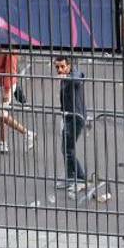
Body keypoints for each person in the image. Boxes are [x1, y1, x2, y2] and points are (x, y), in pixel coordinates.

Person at [0, 51, 35, 154]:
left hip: (4, 85)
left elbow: (10, 70)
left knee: (0, 113)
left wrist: (7, 90)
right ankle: (2, 143)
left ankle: (27, 133)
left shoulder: (9, 47)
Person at [55, 56, 88, 189]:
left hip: (76, 117)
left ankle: (79, 177)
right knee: (66, 148)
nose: (60, 70)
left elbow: (78, 78)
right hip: (68, 116)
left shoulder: (74, 74)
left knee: (68, 149)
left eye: (62, 66)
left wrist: (66, 78)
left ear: (69, 66)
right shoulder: (65, 76)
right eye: (57, 67)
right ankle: (73, 176)